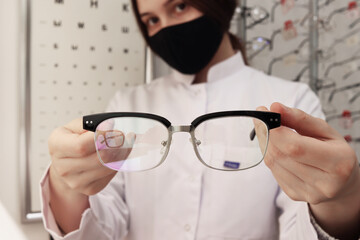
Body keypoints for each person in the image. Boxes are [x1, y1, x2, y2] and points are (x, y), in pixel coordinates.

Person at [41, 0, 360, 239]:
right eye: (151, 20)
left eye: (179, 6)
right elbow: (101, 229)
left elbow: (301, 226)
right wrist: (67, 186)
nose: (165, 27)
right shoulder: (129, 105)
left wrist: (340, 202)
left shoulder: (288, 101)